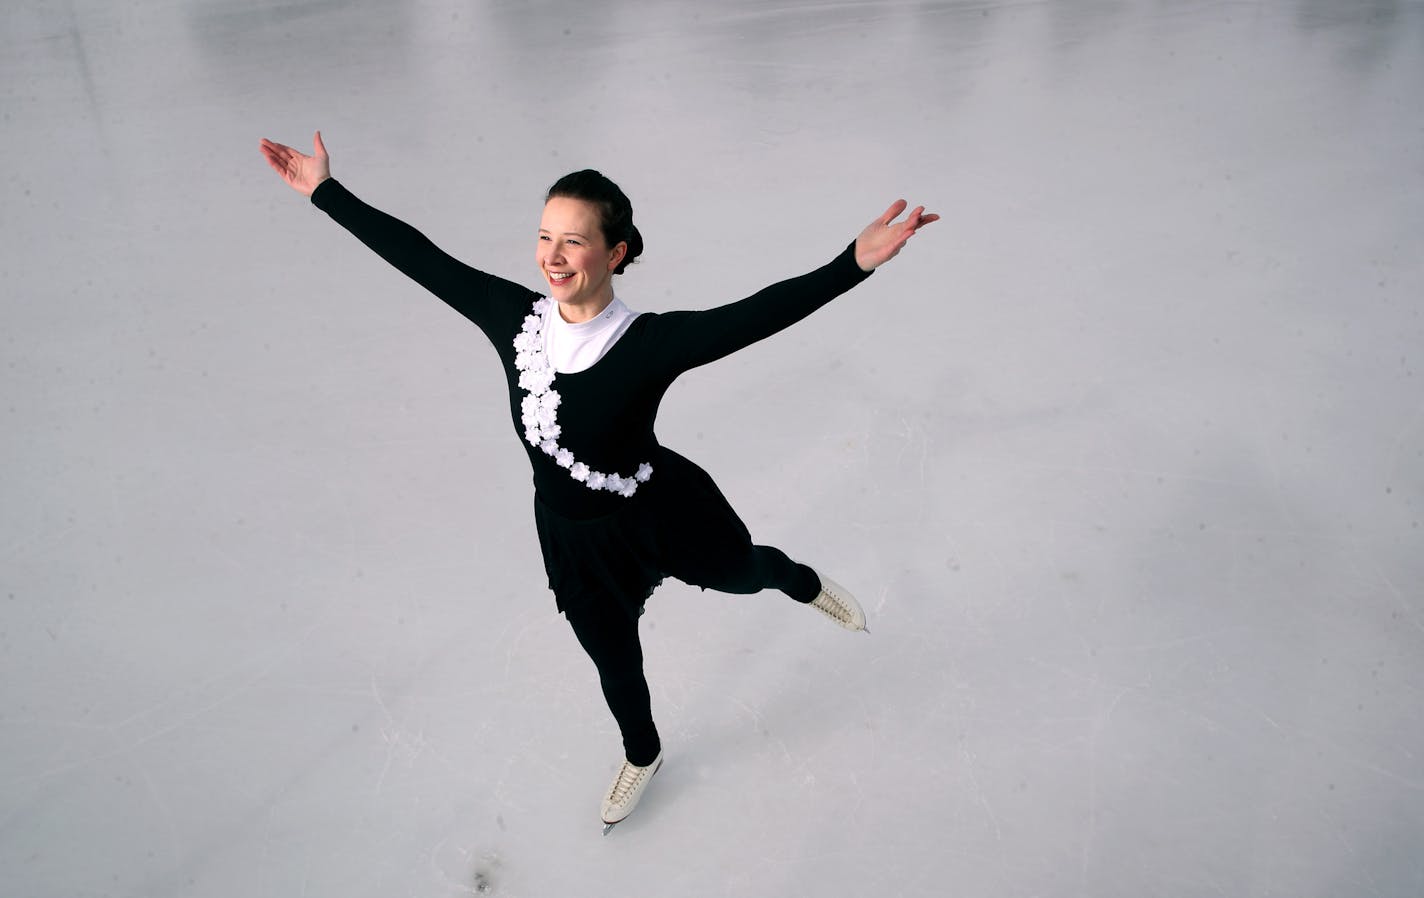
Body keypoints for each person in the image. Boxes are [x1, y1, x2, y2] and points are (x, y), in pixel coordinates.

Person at [258, 131, 938, 830]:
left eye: (574, 242)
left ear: (615, 253)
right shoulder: (513, 320)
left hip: (659, 510)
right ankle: (643, 754)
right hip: (575, 540)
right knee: (614, 660)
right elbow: (421, 257)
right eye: (545, 236)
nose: (552, 257)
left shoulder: (648, 343)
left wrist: (853, 263)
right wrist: (323, 190)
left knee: (745, 571)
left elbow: (757, 315)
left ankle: (799, 581)